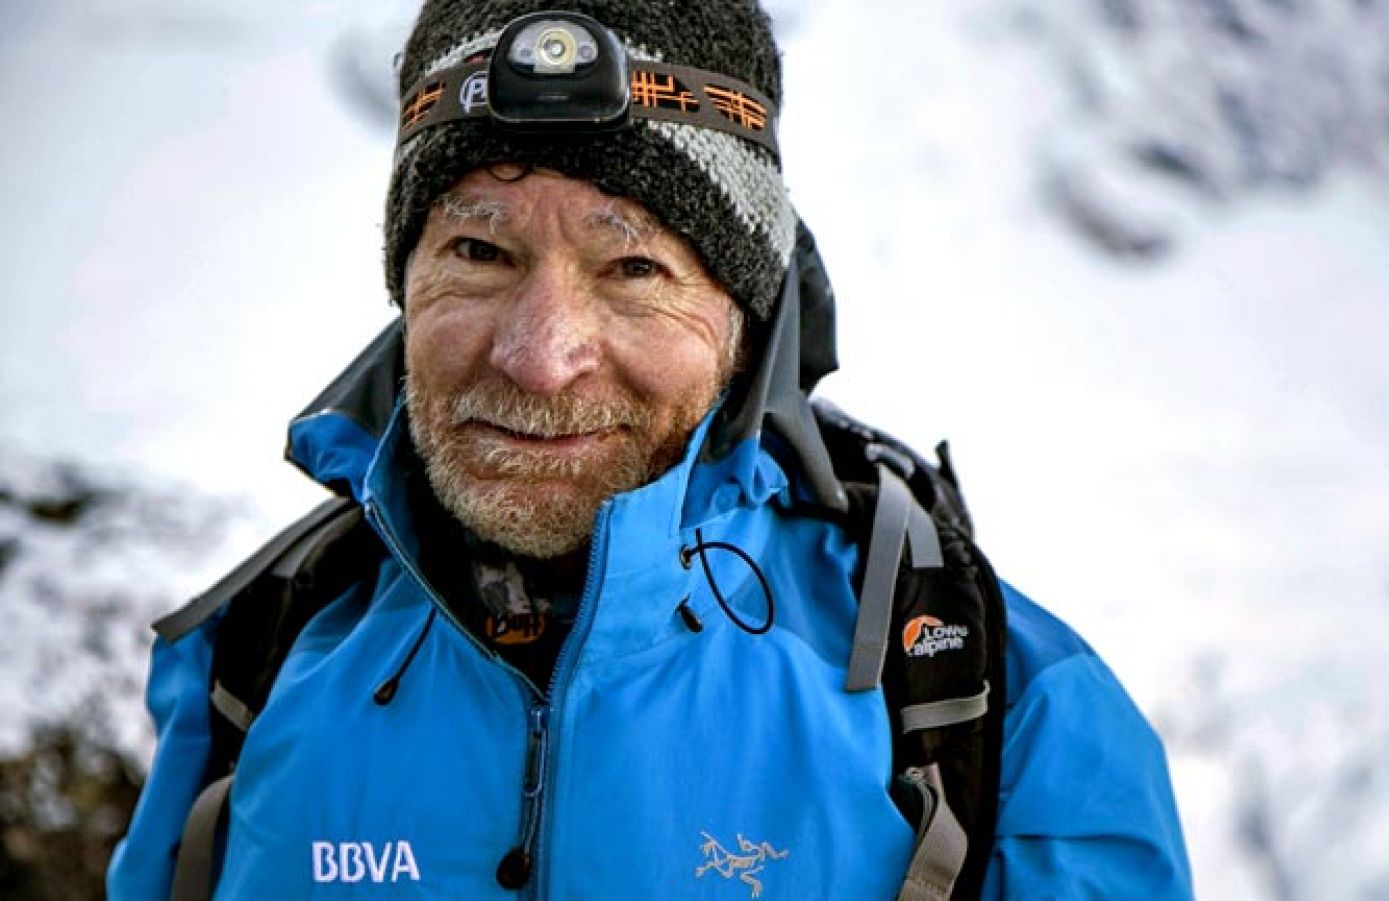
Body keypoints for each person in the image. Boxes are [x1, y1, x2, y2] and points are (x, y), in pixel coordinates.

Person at [109, 1, 1192, 898]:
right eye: (478, 251)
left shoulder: (997, 703)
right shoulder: (254, 663)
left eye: (633, 270)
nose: (538, 358)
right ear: (406, 282)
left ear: (742, 318)